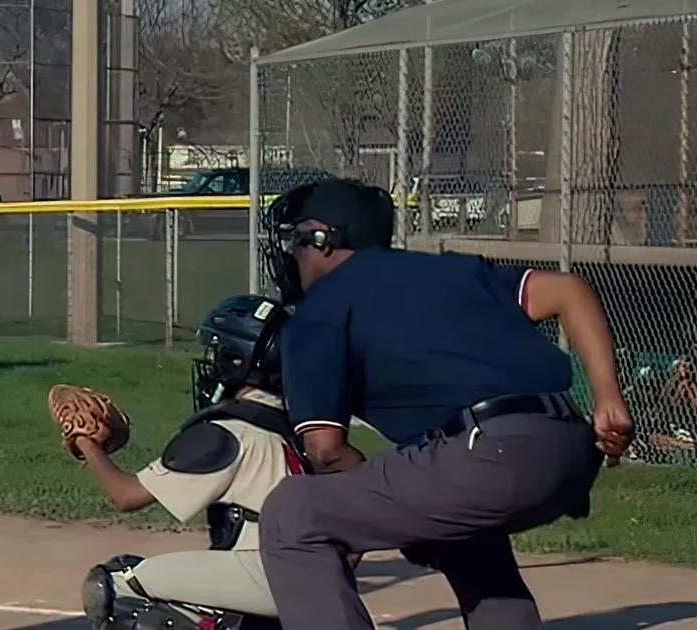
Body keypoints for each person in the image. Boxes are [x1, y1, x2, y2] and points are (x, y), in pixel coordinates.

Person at [256, 177, 635, 630]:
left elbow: (326, 449)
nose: (291, 255)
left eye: (297, 240)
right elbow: (569, 289)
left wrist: (390, 516)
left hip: (486, 453)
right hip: (570, 446)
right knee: (463, 530)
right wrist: (608, 399)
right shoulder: (449, 271)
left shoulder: (321, 309)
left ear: (323, 240)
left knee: (292, 514)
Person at [79, 294, 312, 630]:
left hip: (269, 577)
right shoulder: (293, 427)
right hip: (310, 579)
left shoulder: (228, 432)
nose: (213, 361)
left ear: (238, 360)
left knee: (117, 583)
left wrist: (88, 443)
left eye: (219, 352)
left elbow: (125, 495)